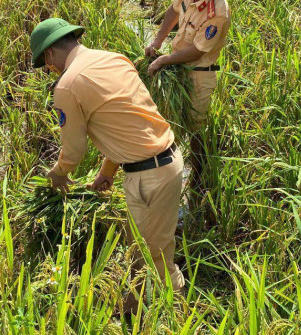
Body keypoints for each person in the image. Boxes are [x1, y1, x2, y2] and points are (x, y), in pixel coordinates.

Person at [30, 18, 185, 304]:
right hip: (168, 162)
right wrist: (107, 171)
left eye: (46, 64)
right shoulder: (114, 59)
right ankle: (137, 307)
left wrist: (58, 174)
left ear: (50, 54)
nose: (49, 70)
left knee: (155, 258)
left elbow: (74, 149)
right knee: (142, 248)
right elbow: (127, 122)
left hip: (150, 176)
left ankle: (174, 313)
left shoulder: (67, 85)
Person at [145, 0, 231, 182]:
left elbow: (197, 51)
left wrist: (163, 60)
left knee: (195, 127)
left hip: (199, 73)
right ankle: (166, 165)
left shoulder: (218, 12)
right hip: (176, 65)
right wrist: (158, 40)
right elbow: (174, 10)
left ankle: (199, 175)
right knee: (165, 115)